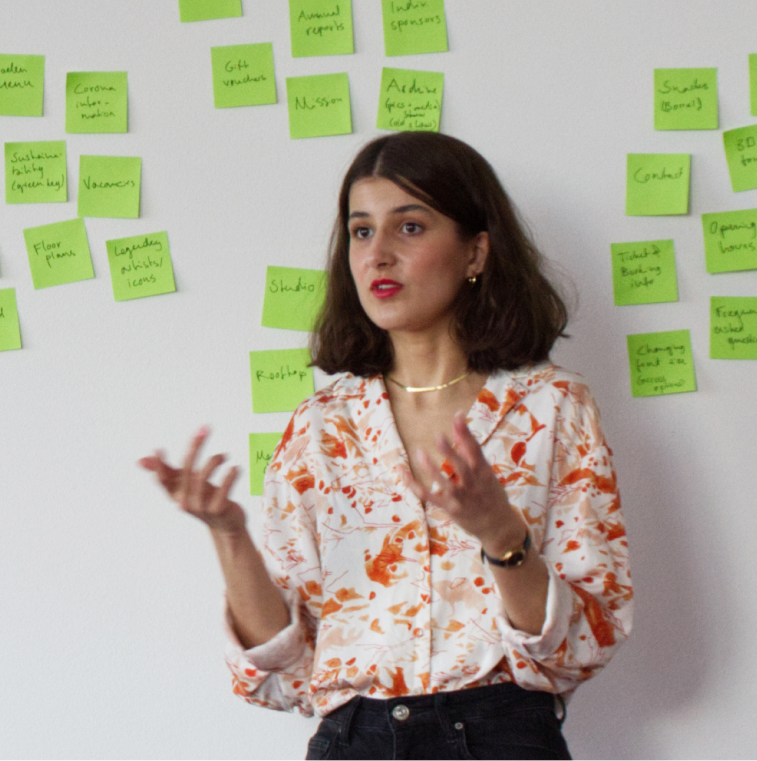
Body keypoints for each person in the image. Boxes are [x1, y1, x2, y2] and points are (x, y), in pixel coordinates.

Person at [141, 132, 631, 759]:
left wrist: (501, 535)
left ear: (476, 251)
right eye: (362, 231)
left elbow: (587, 638)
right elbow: (289, 670)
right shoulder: (320, 427)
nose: (378, 256)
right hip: (354, 742)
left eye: (410, 227)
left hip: (503, 737)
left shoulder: (551, 407)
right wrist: (229, 532)